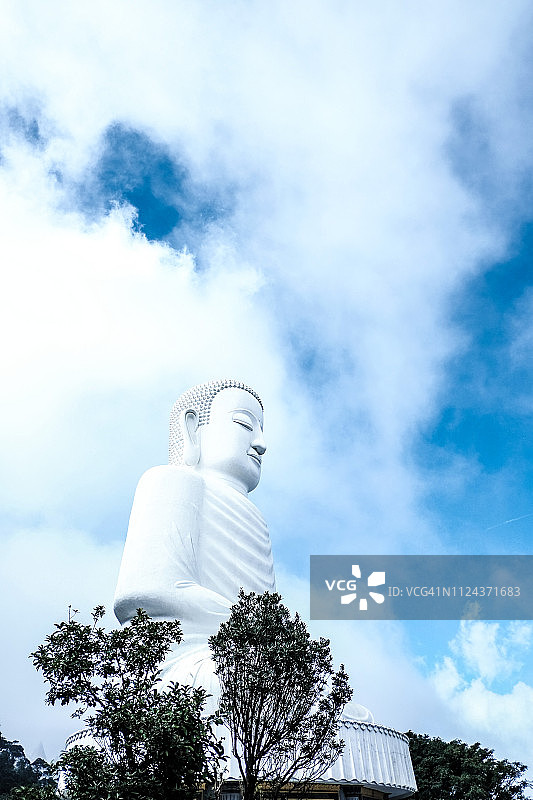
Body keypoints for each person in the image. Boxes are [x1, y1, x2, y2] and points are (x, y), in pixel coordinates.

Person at [114, 379, 276, 709]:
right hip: (182, 657)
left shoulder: (257, 518)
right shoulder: (170, 481)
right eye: (245, 424)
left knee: (328, 695)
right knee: (227, 683)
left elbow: (266, 617)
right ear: (193, 429)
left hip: (249, 657)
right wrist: (247, 632)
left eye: (261, 430)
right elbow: (143, 593)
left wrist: (266, 644)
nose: (260, 444)